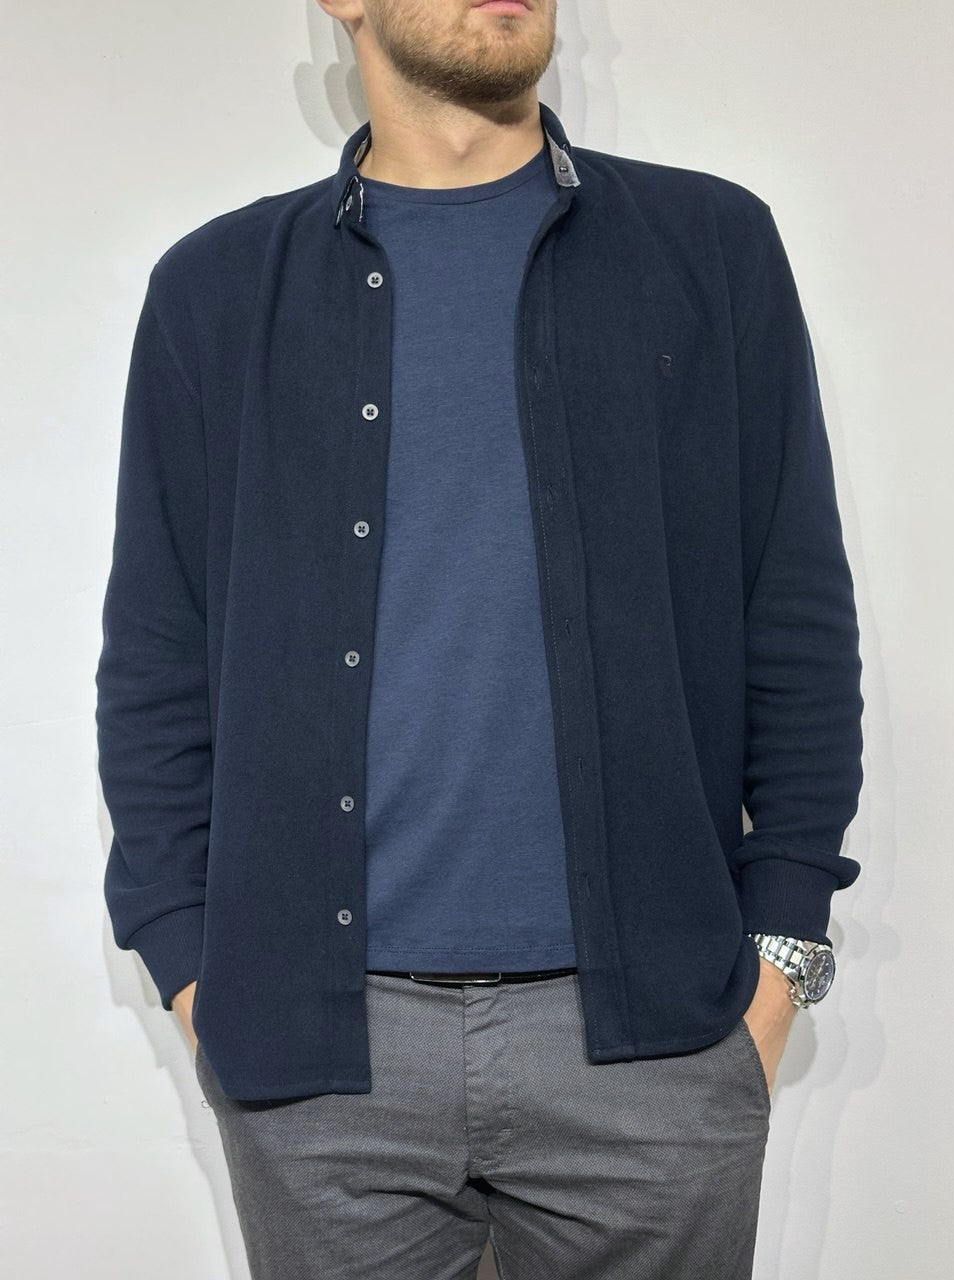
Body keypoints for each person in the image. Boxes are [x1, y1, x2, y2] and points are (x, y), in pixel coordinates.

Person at [95, 1, 864, 1276]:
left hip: (660, 1044)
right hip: (318, 1061)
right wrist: (190, 964)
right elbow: (157, 662)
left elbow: (794, 616)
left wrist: (781, 954)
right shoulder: (215, 292)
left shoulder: (711, 247)